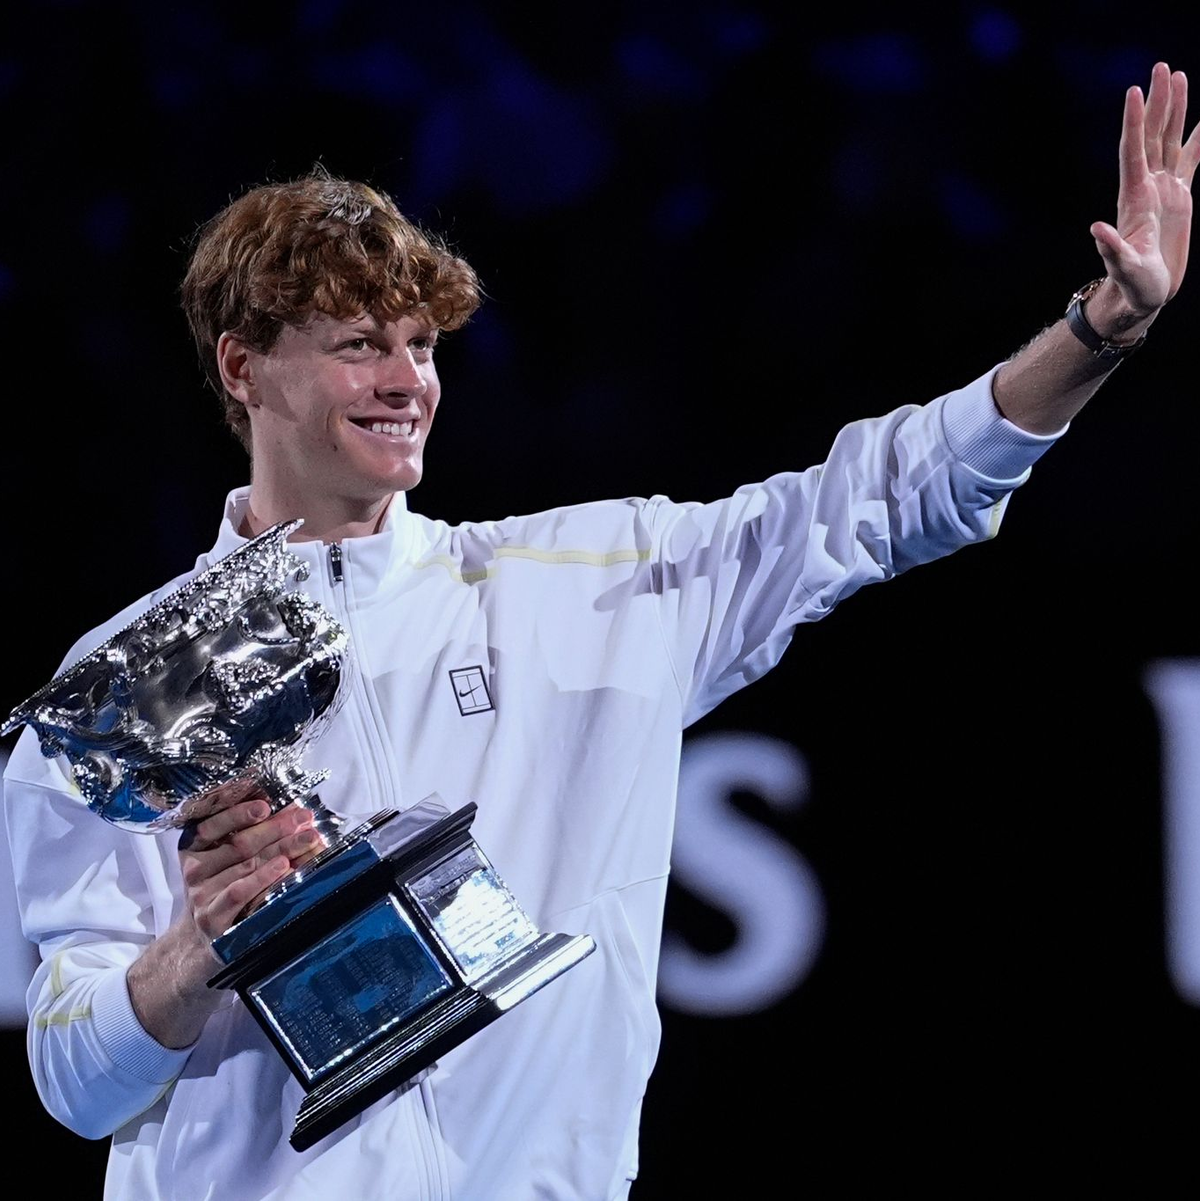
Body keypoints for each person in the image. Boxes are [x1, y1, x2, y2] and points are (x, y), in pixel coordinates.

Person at [3, 61, 1196, 1201]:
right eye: (359, 343)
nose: (408, 379)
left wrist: (1100, 331)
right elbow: (73, 1078)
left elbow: (884, 497)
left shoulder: (590, 582)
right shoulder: (126, 691)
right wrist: (196, 949)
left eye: (420, 344)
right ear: (244, 367)